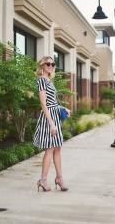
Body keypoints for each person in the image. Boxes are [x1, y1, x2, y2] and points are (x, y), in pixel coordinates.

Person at [33, 56, 70, 192]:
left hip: (55, 115)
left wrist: (63, 108)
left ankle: (59, 178)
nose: (50, 66)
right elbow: (43, 104)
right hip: (49, 118)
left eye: (52, 64)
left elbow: (52, 101)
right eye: (48, 63)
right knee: (50, 149)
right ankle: (43, 180)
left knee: (57, 148)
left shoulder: (49, 80)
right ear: (42, 65)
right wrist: (51, 123)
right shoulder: (42, 80)